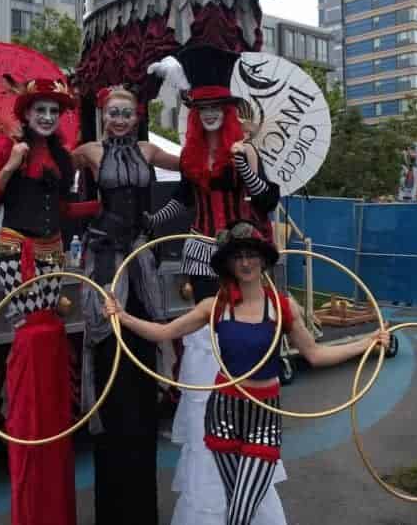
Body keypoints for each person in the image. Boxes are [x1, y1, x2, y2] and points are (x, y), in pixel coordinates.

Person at [105, 220, 389, 524]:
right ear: (228, 264)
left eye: (251, 254)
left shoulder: (282, 307)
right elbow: (163, 333)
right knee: (234, 505)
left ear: (264, 259)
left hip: (264, 415)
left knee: (241, 512)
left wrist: (367, 343)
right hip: (224, 412)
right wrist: (122, 317)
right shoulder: (213, 306)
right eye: (237, 256)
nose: (245, 262)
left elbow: (315, 354)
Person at [146, 45, 281, 524]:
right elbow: (181, 203)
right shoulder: (189, 159)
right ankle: (209, 403)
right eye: (200, 109)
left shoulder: (244, 151)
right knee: (203, 335)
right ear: (193, 113)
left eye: (215, 109)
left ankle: (249, 395)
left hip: (240, 251)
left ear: (226, 112)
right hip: (200, 252)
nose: (206, 116)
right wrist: (150, 222)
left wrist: (247, 169)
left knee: (240, 327)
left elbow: (265, 202)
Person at [0, 75, 98, 525]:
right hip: (14, 247)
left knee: (49, 328)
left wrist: (104, 207)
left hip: (53, 248)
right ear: (25, 114)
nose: (47, 117)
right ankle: (31, 419)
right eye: (39, 110)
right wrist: (10, 164)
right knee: (33, 329)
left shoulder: (62, 159)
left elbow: (64, 211)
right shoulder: (6, 147)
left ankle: (49, 418)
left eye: (53, 111)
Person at [72, 85, 179, 525]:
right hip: (103, 258)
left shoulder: (149, 151)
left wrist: (161, 219)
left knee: (143, 334)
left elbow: (194, 171)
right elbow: (54, 180)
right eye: (112, 113)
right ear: (102, 114)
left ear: (136, 116)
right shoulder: (89, 151)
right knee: (106, 340)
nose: (119, 119)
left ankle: (144, 412)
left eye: (126, 113)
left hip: (141, 258)